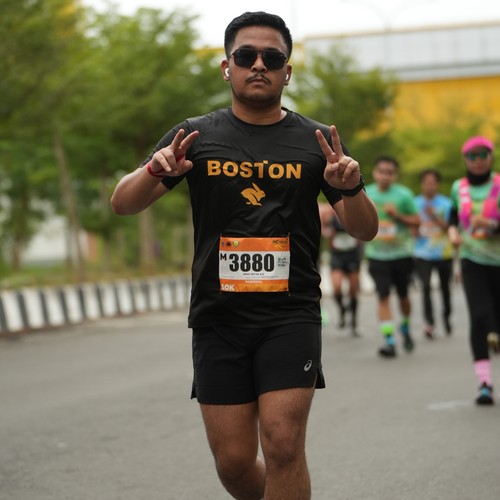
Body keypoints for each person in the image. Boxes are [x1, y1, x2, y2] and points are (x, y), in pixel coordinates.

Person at [110, 11, 378, 499]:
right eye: (246, 55)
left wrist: (352, 186)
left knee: (283, 445)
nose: (259, 65)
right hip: (218, 316)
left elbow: (364, 230)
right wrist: (154, 169)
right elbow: (123, 204)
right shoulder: (195, 136)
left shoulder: (317, 143)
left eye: (272, 58)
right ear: (226, 66)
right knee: (234, 462)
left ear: (287, 72)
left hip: (290, 314)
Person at [448, 135, 500, 405]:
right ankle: (484, 384)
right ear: (465, 159)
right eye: (472, 156)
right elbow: (453, 216)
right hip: (472, 260)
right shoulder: (459, 187)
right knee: (479, 317)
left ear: (491, 157)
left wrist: (491, 225)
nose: (478, 161)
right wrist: (452, 233)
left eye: (483, 155)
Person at [364, 156, 420, 357]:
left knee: (403, 296)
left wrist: (397, 216)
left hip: (402, 255)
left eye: (389, 172)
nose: (385, 176)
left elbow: (417, 222)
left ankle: (404, 325)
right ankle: (389, 340)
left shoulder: (404, 195)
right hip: (376, 255)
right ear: (375, 172)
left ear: (395, 175)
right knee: (383, 296)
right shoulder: (366, 193)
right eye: (381, 171)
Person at [413, 168, 454, 339]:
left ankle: (446, 316)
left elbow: (449, 227)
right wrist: (415, 230)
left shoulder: (446, 204)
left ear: (438, 185)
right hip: (422, 253)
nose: (429, 186)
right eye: (426, 183)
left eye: (433, 183)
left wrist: (433, 216)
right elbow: (412, 227)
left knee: (445, 288)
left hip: (444, 253)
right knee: (426, 286)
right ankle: (429, 322)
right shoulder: (414, 203)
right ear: (422, 184)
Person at [319, 202, 363, 336]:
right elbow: (323, 230)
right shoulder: (330, 215)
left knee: (353, 290)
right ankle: (342, 309)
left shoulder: (355, 213)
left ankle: (354, 322)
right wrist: (327, 228)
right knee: (337, 288)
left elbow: (363, 231)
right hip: (337, 255)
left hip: (352, 255)